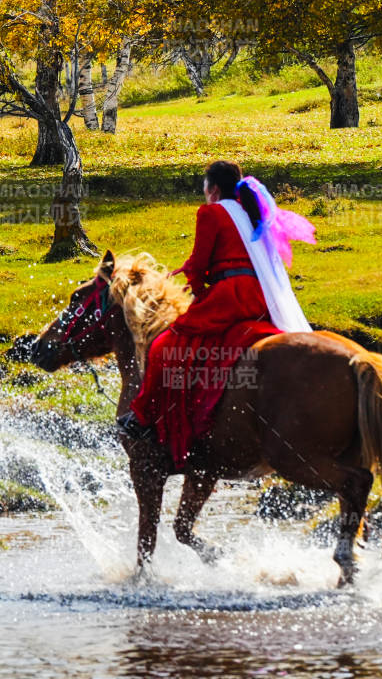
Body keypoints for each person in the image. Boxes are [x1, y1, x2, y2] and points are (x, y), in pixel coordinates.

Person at [120, 160, 315, 467]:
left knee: (163, 346)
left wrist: (197, 289)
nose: (205, 193)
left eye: (205, 188)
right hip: (257, 297)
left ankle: (144, 418)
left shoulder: (210, 212)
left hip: (229, 296)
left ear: (213, 188)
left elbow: (199, 264)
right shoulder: (249, 213)